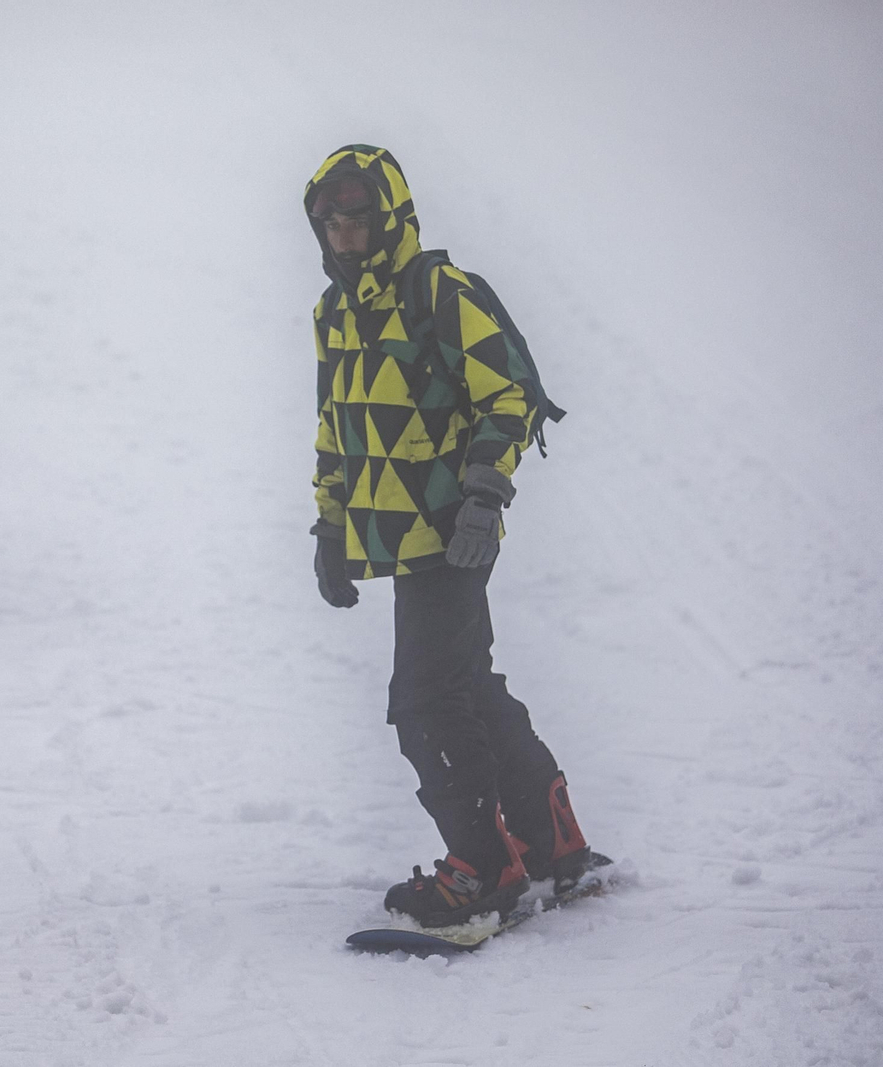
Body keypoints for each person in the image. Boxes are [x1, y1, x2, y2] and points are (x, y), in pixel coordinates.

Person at [302, 145, 593, 927]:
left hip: (451, 529)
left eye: (358, 217)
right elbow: (335, 428)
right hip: (398, 540)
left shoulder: (436, 288)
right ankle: (553, 840)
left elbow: (511, 395)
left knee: (425, 700)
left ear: (388, 214)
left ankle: (484, 869)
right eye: (330, 220)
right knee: (465, 686)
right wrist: (330, 527)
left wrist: (483, 494)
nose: (344, 233)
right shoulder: (335, 313)